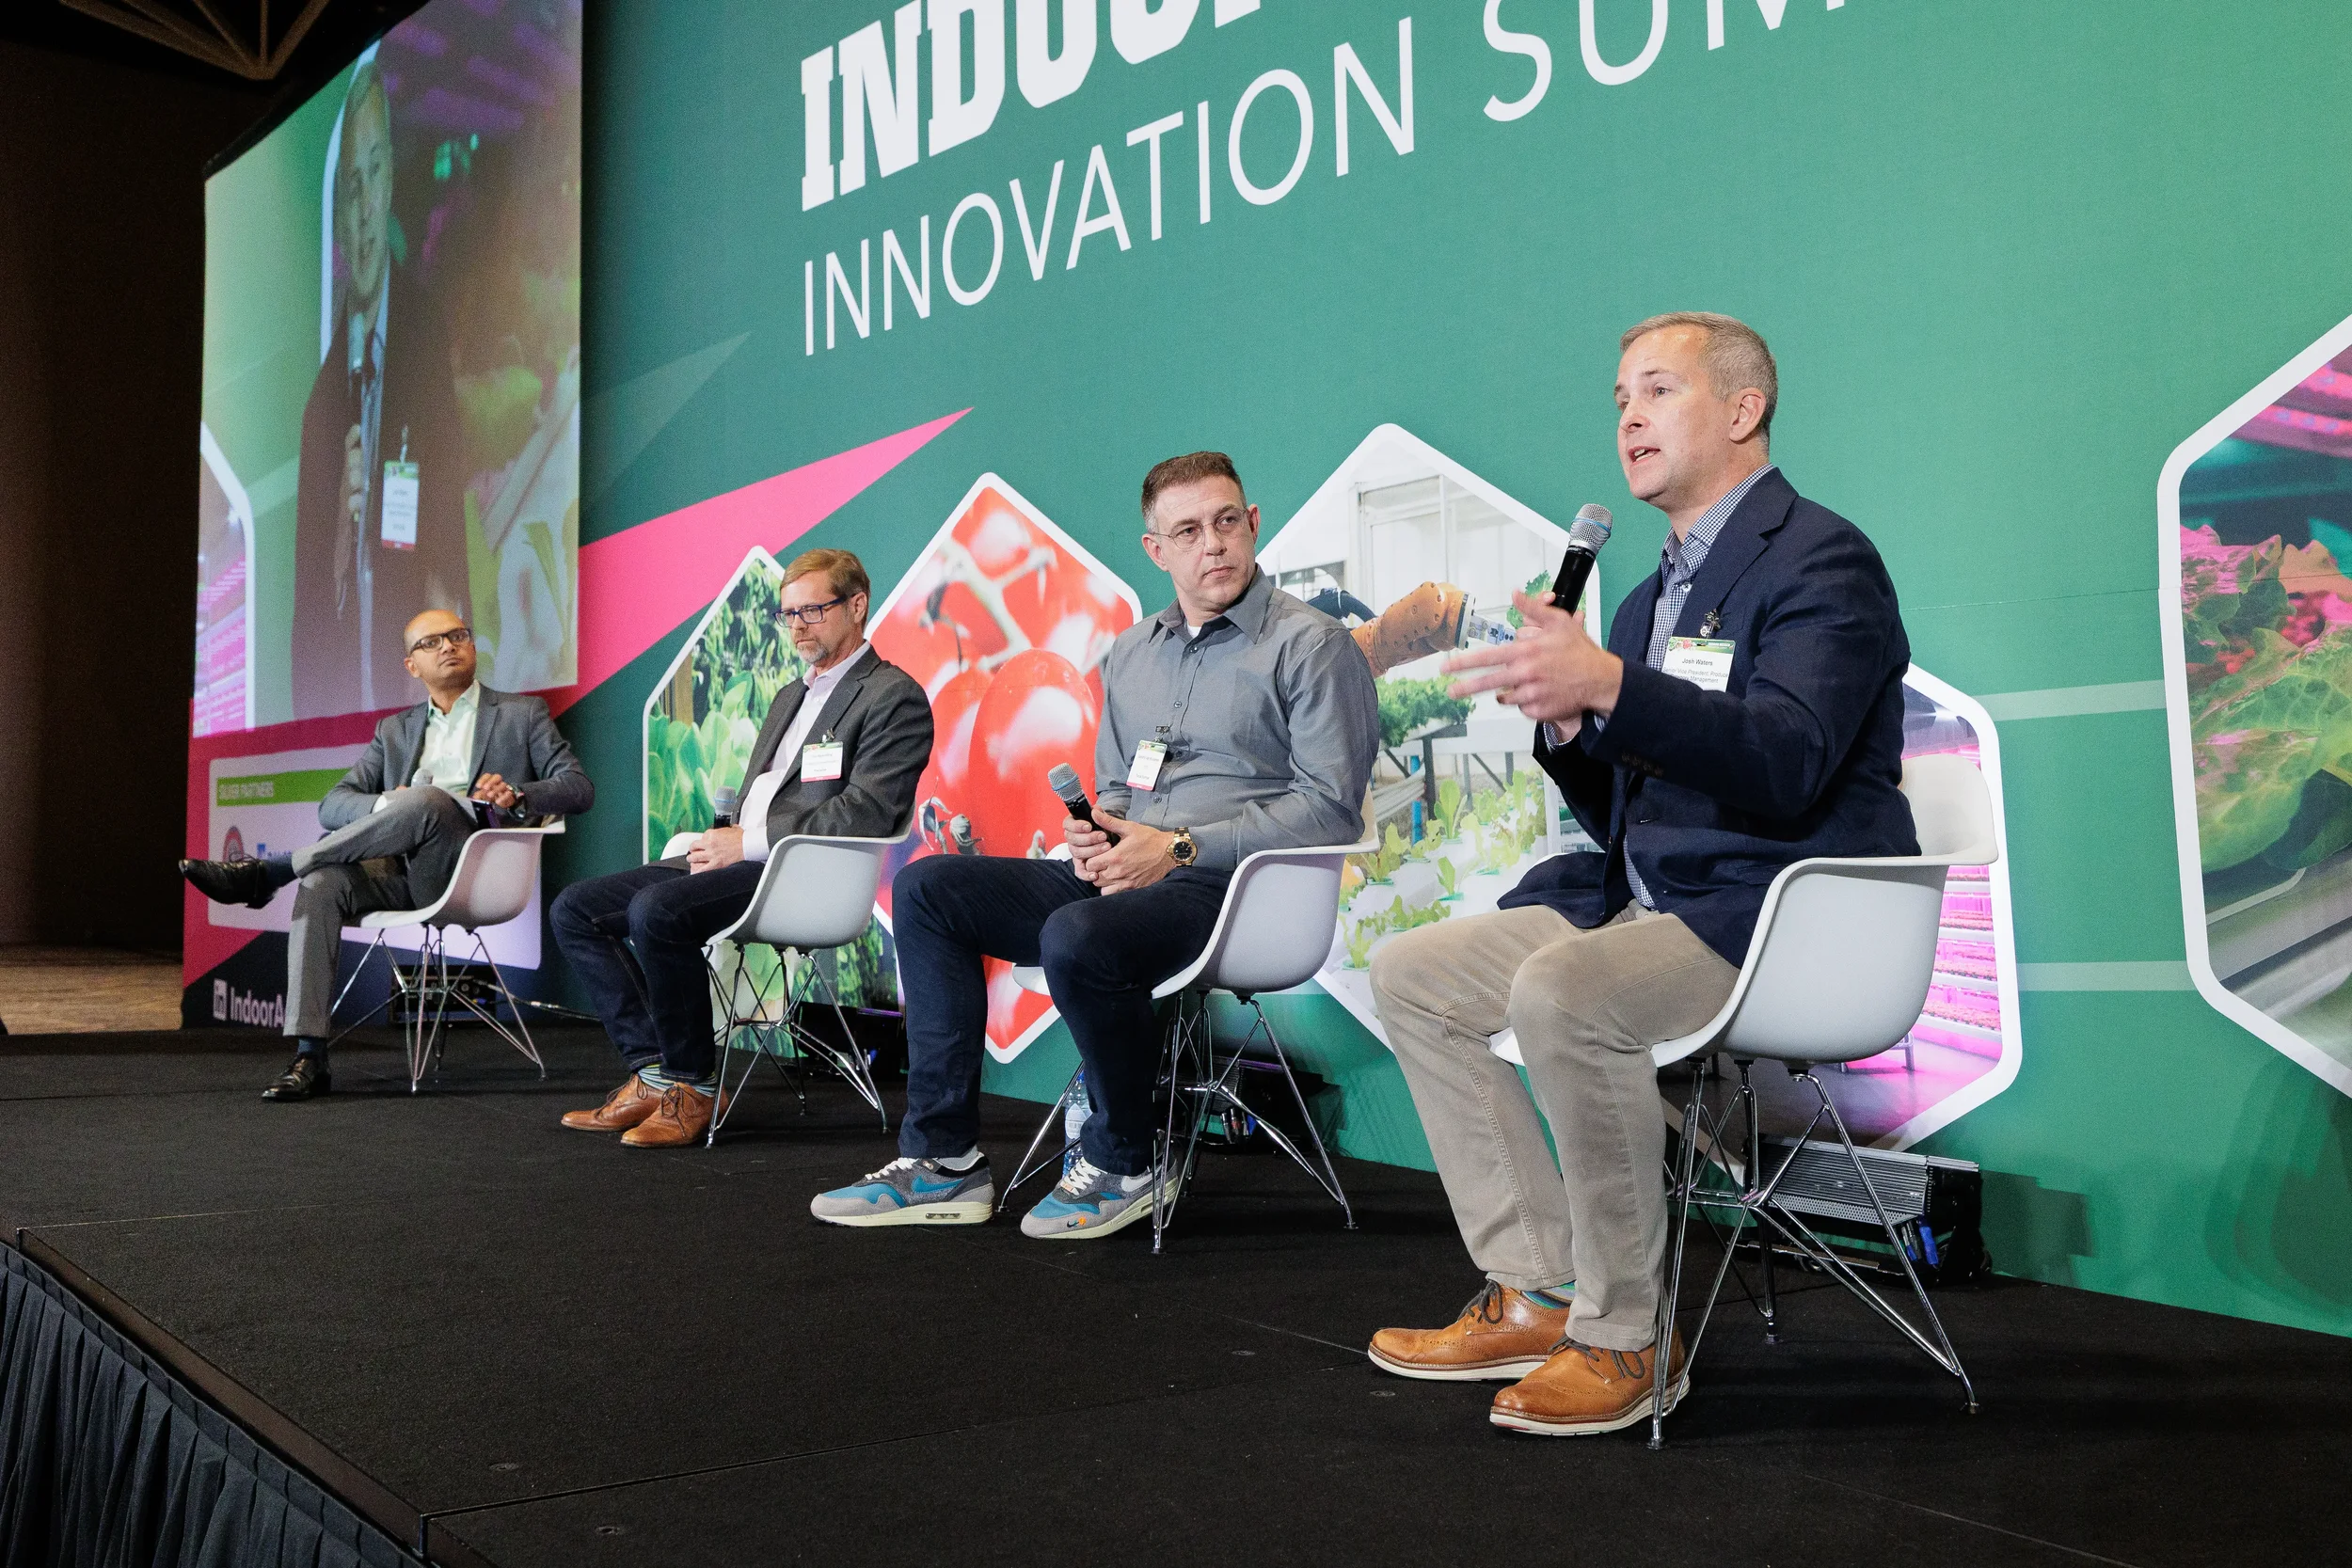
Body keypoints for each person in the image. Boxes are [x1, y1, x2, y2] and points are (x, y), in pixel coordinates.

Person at [1364, 313, 1916, 1436]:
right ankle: (1540, 1285)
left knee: (1565, 993)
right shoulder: (1641, 598)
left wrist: (1611, 687)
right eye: (1619, 396)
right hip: (1651, 897)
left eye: (1657, 391)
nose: (1627, 416)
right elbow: (1625, 813)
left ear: (1742, 409)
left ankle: (1626, 1337)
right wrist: (1571, 725)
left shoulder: (1822, 557)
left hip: (1776, 907)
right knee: (1414, 969)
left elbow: (1785, 758)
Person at [811, 451, 1379, 1237]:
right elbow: (1119, 790)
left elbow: (1329, 810)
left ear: (1252, 525)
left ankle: (1126, 1157)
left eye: (1224, 522)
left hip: (1234, 889)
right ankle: (944, 1160)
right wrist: (1101, 834)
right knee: (929, 889)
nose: (1211, 544)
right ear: (1157, 550)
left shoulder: (1313, 645)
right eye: (1187, 531)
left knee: (1075, 934)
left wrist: (1174, 847)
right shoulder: (1135, 653)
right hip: (1132, 873)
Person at [551, 548, 932, 1148]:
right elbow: (770, 794)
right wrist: (724, 836)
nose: (799, 626)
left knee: (658, 911)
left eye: (814, 609)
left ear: (857, 606)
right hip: (738, 858)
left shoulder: (892, 696)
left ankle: (694, 1087)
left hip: (802, 874)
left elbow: (868, 809)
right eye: (789, 614)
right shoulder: (788, 696)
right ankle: (656, 1071)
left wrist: (747, 842)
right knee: (575, 907)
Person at [181, 608, 595, 1100]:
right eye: (432, 642)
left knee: (428, 801)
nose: (448, 646)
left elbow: (578, 788)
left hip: (475, 871)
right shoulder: (394, 731)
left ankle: (269, 872)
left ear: (473, 647)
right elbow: (333, 804)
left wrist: (519, 795)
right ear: (411, 666)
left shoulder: (521, 714)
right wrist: (386, 804)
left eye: (457, 635)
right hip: (400, 875)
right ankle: (309, 1055)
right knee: (322, 883)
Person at [291, 58, 468, 720]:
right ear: (336, 217)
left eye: (373, 178)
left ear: (392, 176)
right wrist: (340, 546)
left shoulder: (428, 343)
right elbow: (306, 630)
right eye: (348, 192)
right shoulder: (320, 408)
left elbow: (451, 548)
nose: (364, 214)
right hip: (348, 743)